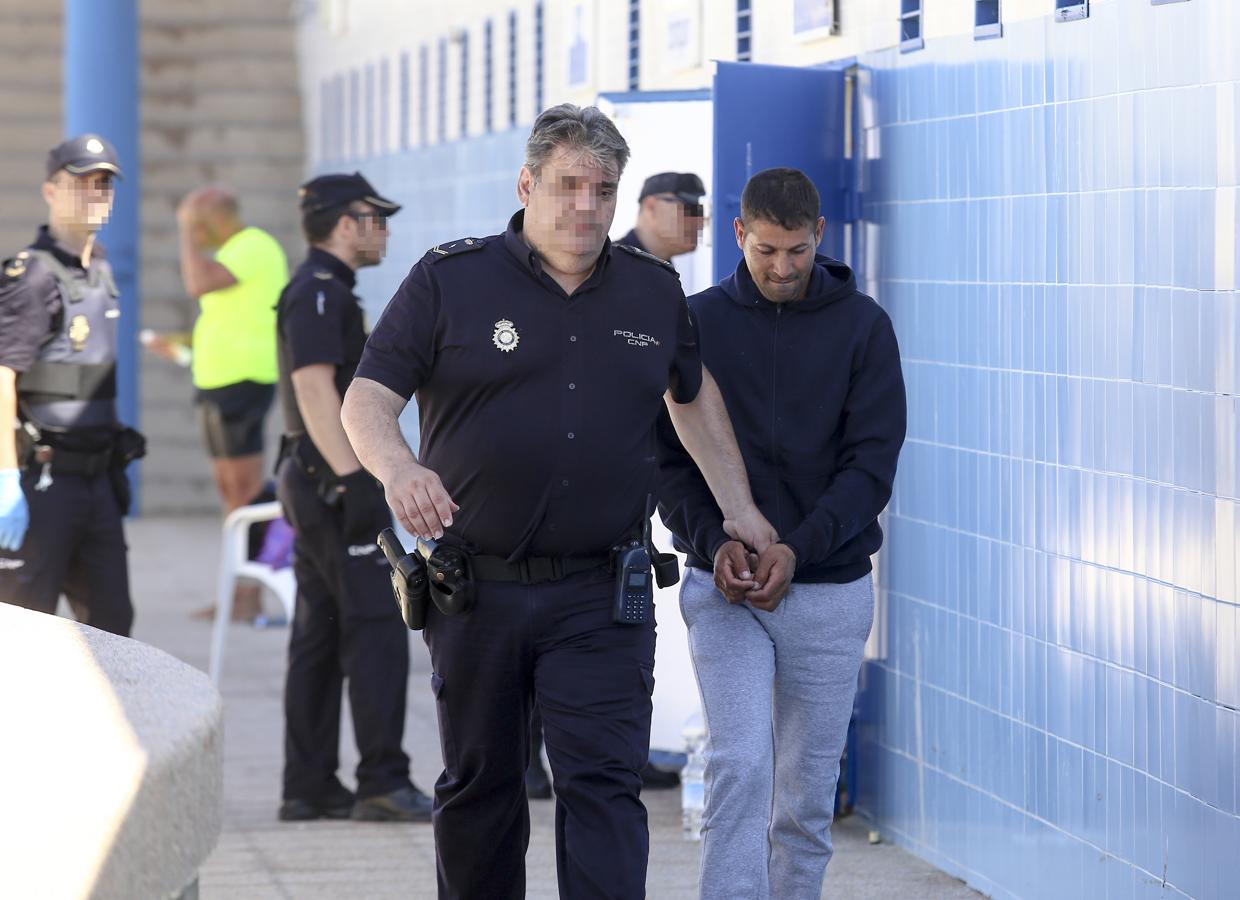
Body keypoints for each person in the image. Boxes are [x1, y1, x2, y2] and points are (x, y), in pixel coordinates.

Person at [340, 103, 776, 899]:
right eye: (568, 185)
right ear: (527, 183)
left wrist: (739, 508)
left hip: (602, 593)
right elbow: (366, 400)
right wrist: (399, 471)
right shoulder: (450, 279)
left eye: (602, 189)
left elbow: (690, 395)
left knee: (604, 788)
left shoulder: (651, 291)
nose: (585, 206)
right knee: (482, 789)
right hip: (477, 589)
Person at [657, 167, 907, 899]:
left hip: (828, 593)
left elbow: (872, 468)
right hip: (723, 587)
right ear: (739, 234)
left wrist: (799, 550)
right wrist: (714, 541)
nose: (782, 267)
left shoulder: (863, 328)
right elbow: (666, 462)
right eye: (767, 250)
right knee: (741, 764)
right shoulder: (697, 323)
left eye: (797, 251)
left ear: (818, 237)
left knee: (803, 797)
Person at [526, 169, 710, 799]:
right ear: (650, 207)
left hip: (633, 477)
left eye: (703, 209)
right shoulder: (613, 268)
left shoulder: (654, 281)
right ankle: (529, 761)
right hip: (568, 487)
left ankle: (621, 753)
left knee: (620, 631)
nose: (697, 219)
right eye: (686, 207)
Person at [273, 172, 432, 823]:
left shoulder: (327, 290)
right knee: (375, 630)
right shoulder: (318, 293)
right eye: (376, 217)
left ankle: (308, 784)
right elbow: (314, 389)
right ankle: (381, 780)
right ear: (346, 223)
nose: (384, 230)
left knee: (319, 633)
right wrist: (354, 479)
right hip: (328, 480)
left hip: (313, 479)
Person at [0, 134, 144, 636]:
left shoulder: (100, 269)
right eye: (81, 184)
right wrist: (3, 481)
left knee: (112, 633)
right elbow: (2, 380)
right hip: (42, 485)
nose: (95, 195)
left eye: (104, 184)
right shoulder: (31, 277)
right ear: (50, 191)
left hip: (97, 483)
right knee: (23, 633)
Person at [162, 186, 286, 621]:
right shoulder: (235, 250)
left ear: (213, 219)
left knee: (246, 492)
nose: (196, 234)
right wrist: (183, 346)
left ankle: (250, 595)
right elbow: (228, 317)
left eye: (198, 225)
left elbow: (197, 283)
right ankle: (238, 592)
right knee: (230, 492)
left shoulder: (253, 245)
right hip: (216, 382)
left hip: (243, 384)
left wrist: (184, 232)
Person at [617, 171, 706, 261]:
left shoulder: (663, 269)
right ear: (651, 207)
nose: (701, 219)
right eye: (688, 207)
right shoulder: (608, 265)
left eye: (700, 209)